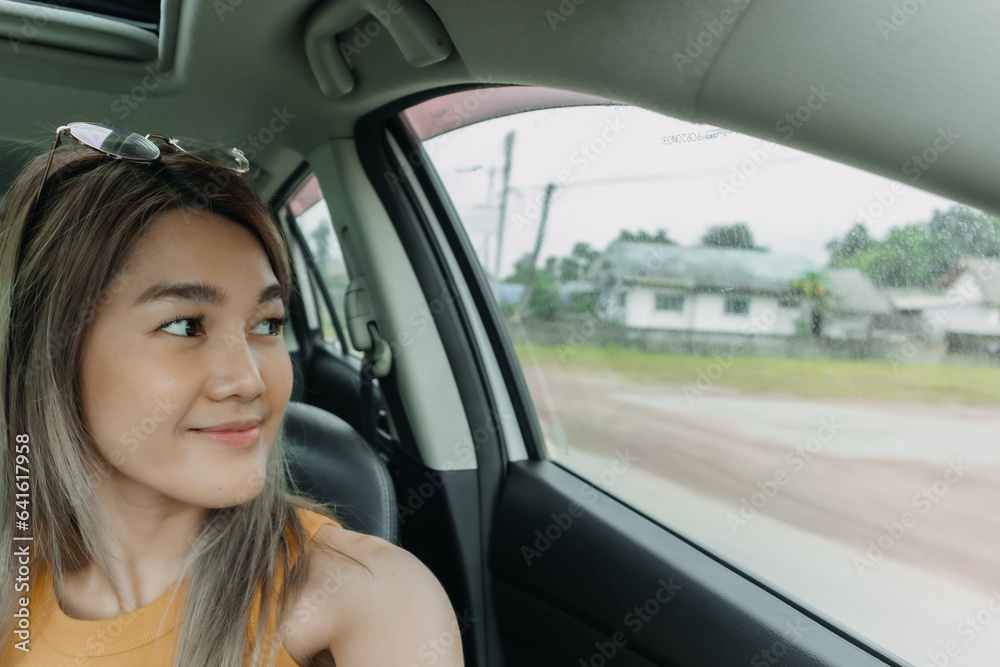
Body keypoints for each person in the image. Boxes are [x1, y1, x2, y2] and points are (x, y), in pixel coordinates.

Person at [0, 124, 464, 666]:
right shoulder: (18, 582)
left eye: (266, 324)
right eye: (184, 326)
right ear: (48, 355)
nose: (248, 381)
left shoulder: (372, 599)